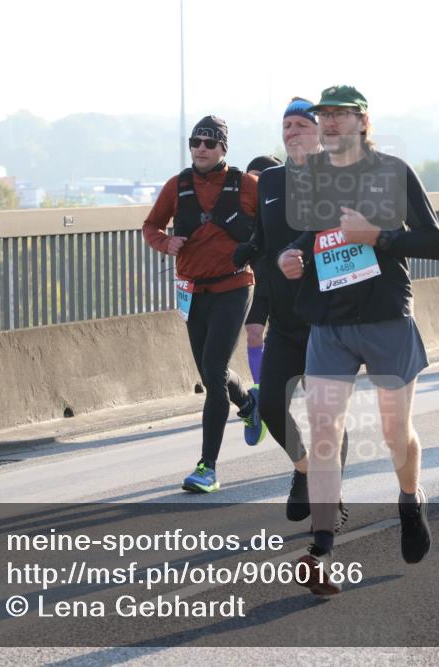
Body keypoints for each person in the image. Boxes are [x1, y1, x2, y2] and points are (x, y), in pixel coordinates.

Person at [277, 85, 439, 596]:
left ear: (363, 122)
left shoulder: (393, 173)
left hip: (385, 316)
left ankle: (410, 500)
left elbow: (433, 242)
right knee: (324, 428)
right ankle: (321, 549)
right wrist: (293, 257)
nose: (328, 123)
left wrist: (378, 237)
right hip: (329, 321)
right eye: (323, 115)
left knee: (396, 432)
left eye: (339, 116)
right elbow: (312, 236)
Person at [233, 100, 350, 524]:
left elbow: (346, 237)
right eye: (287, 125)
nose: (293, 131)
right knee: (270, 408)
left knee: (327, 417)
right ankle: (303, 470)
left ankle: (329, 498)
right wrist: (246, 249)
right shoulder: (271, 181)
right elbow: (264, 236)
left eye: (302, 124)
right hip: (284, 321)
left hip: (326, 320)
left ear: (320, 132)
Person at [141, 115, 264, 493]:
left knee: (212, 372)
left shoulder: (247, 185)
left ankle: (207, 468)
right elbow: (151, 227)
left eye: (210, 143)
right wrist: (166, 243)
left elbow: (273, 224)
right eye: (196, 142)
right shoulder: (176, 187)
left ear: (223, 148)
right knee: (213, 372)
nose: (201, 149)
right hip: (194, 291)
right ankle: (247, 405)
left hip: (235, 286)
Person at [238, 155, 283, 438]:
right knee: (254, 333)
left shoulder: (282, 208)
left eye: (259, 179)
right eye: (249, 178)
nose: (253, 185)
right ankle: (260, 397)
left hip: (286, 285)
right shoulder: (244, 209)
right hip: (259, 283)